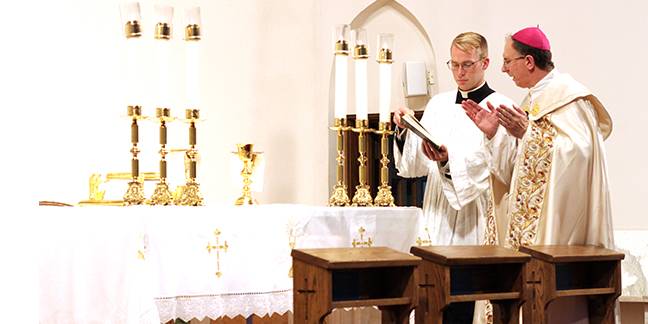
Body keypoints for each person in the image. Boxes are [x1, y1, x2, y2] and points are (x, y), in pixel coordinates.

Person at [461, 27, 614, 323]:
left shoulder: (570, 98)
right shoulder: (532, 101)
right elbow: (516, 172)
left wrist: (529, 134)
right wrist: (495, 135)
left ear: (529, 61)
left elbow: (580, 154)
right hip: (528, 236)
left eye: (508, 61)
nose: (504, 69)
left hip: (558, 233)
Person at [393, 32, 516, 323]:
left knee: (463, 300)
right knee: (430, 299)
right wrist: (403, 129)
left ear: (485, 62)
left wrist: (449, 162)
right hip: (436, 212)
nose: (459, 72)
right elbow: (414, 167)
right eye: (454, 64)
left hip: (473, 214)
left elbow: (494, 166)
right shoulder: (438, 103)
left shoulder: (502, 106)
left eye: (467, 65)